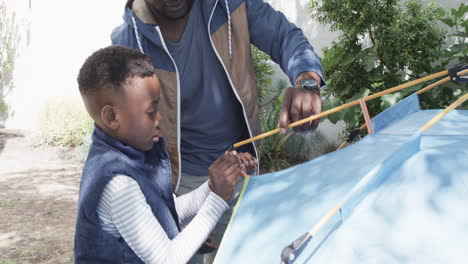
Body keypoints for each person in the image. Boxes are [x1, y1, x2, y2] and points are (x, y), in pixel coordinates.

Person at [112, 0, 325, 262]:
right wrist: (165, 212)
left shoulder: (231, 5)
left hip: (241, 171)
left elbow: (284, 36)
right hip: (178, 186)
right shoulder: (127, 44)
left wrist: (307, 82)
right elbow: (125, 143)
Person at [73, 45, 257, 264]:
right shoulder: (118, 184)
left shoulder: (134, 152)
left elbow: (167, 210)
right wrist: (219, 197)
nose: (159, 118)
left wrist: (214, 185)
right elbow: (167, 259)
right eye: (151, 112)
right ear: (112, 117)